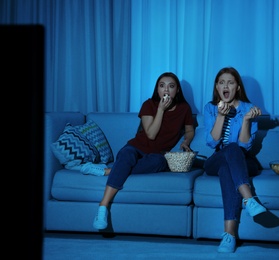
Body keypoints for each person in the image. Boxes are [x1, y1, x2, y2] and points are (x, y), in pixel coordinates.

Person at [92, 72, 195, 230]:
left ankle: (111, 170)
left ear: (177, 91)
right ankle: (103, 206)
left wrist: (186, 142)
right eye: (162, 86)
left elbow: (189, 131)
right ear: (157, 89)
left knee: (160, 162)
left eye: (171, 86)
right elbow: (151, 134)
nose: (166, 89)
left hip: (156, 155)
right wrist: (160, 110)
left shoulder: (184, 108)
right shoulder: (149, 104)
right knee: (126, 155)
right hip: (136, 147)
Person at [203, 67, 267, 253]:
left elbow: (245, 146)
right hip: (216, 157)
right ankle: (249, 200)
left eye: (230, 82)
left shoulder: (249, 109)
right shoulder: (210, 108)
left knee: (227, 168)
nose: (226, 86)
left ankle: (229, 236)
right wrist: (221, 116)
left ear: (237, 87)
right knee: (228, 152)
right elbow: (211, 141)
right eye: (222, 82)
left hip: (243, 160)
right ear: (216, 87)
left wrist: (246, 120)